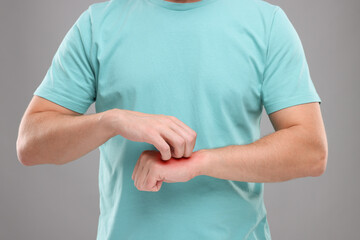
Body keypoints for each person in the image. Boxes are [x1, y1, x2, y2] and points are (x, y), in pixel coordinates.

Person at [16, 0, 328, 239]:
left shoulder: (266, 23)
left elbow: (311, 151)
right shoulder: (97, 25)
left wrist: (199, 162)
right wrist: (111, 120)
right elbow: (30, 143)